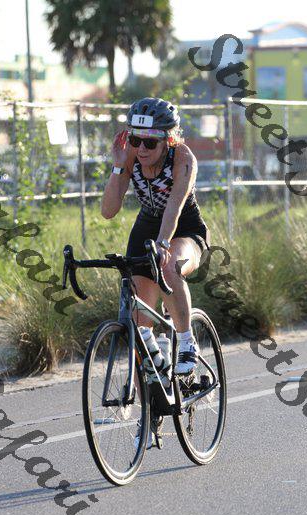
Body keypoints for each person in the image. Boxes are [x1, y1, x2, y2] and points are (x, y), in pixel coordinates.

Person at [101, 97, 210, 376]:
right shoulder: (129, 156)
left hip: (184, 227)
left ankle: (186, 342)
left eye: (150, 143)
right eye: (135, 140)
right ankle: (154, 373)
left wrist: (163, 244)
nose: (141, 149)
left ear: (168, 140)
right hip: (146, 227)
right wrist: (118, 166)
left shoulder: (183, 158)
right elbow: (108, 211)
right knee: (139, 328)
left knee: (169, 266)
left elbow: (174, 206)